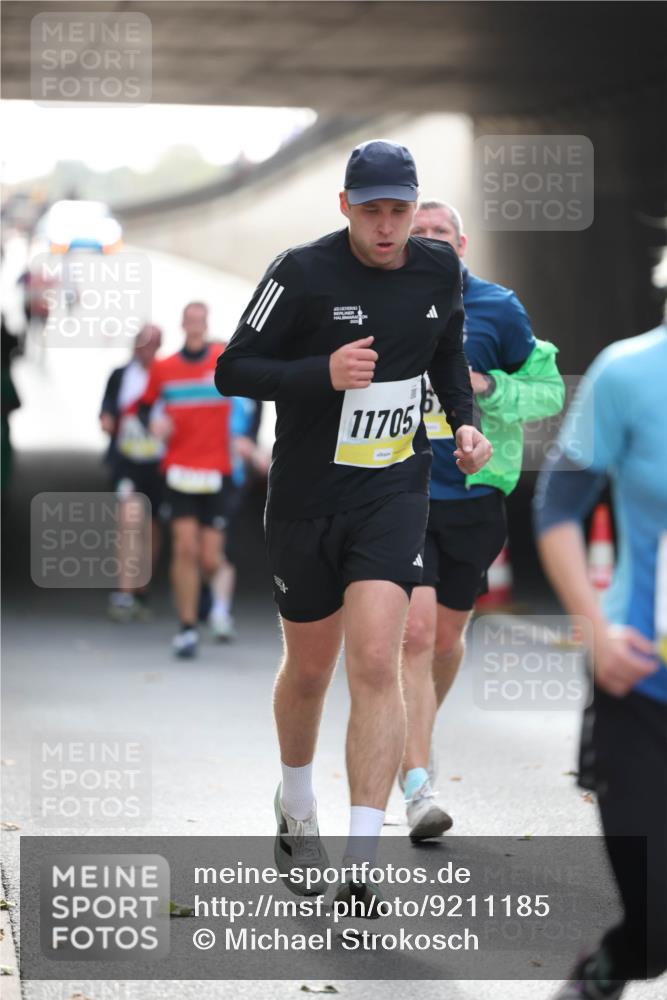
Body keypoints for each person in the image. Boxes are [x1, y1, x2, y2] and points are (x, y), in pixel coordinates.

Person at [215, 141, 492, 903]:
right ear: (344, 206)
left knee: (377, 660)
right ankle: (296, 807)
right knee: (310, 669)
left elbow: (445, 356)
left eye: (398, 211)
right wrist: (320, 374)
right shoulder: (298, 273)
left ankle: (362, 862)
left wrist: (462, 424)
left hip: (394, 490)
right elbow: (231, 368)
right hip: (306, 498)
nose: (385, 226)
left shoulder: (439, 271)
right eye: (370, 210)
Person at [399, 200, 565, 840]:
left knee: (443, 640)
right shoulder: (386, 302)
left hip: (474, 499)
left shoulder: (499, 307)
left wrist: (493, 388)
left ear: (462, 243)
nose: (432, 240)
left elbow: (549, 391)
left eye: (442, 232)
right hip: (402, 495)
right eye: (421, 233)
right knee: (413, 638)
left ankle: (417, 738)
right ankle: (417, 782)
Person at [534, 323, 667, 999]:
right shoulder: (629, 372)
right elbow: (557, 505)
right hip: (641, 685)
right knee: (654, 926)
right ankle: (609, 968)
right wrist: (595, 631)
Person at [140, 301, 255, 658]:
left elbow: (254, 392)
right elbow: (144, 405)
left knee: (209, 557)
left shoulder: (222, 360)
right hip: (179, 469)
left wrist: (247, 436)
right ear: (182, 324)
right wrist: (153, 423)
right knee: (184, 547)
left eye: (200, 321)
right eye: (189, 320)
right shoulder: (164, 368)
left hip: (217, 470)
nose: (195, 326)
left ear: (206, 324)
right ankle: (188, 627)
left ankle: (218, 601)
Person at [100, 324, 164, 621]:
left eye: (152, 345)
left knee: (151, 528)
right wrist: (108, 418)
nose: (145, 350)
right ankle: (124, 593)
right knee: (128, 521)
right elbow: (107, 407)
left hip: (159, 463)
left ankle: (142, 589)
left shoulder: (167, 374)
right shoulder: (120, 374)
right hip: (128, 461)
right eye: (141, 344)